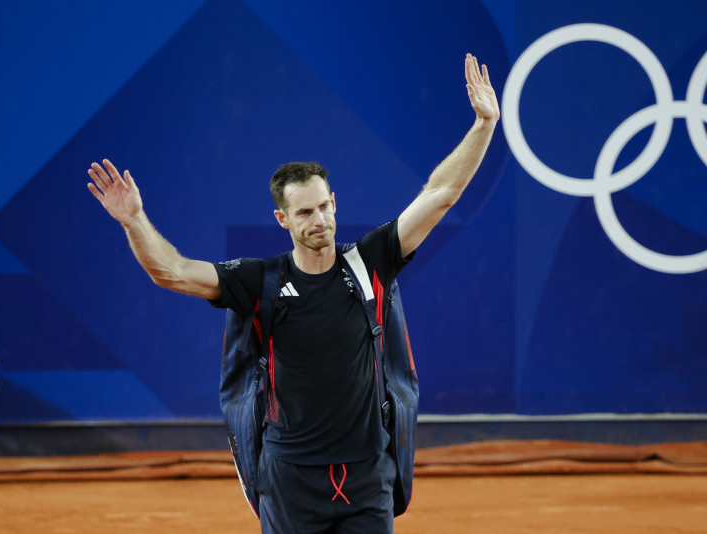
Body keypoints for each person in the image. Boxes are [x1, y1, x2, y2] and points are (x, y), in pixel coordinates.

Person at [87, 53, 500, 534]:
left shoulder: (370, 261)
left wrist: (484, 124)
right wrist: (135, 220)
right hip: (289, 480)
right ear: (282, 219)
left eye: (324, 206)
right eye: (304, 213)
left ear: (334, 202)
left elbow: (440, 194)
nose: (320, 220)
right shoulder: (258, 281)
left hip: (368, 474)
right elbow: (173, 272)